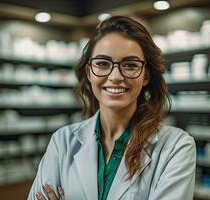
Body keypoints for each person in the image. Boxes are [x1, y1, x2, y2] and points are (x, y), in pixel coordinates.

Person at [28, 16, 196, 200]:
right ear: (89, 72)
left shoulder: (176, 147)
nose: (115, 76)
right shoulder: (62, 142)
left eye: (130, 65)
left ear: (146, 76)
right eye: (102, 64)